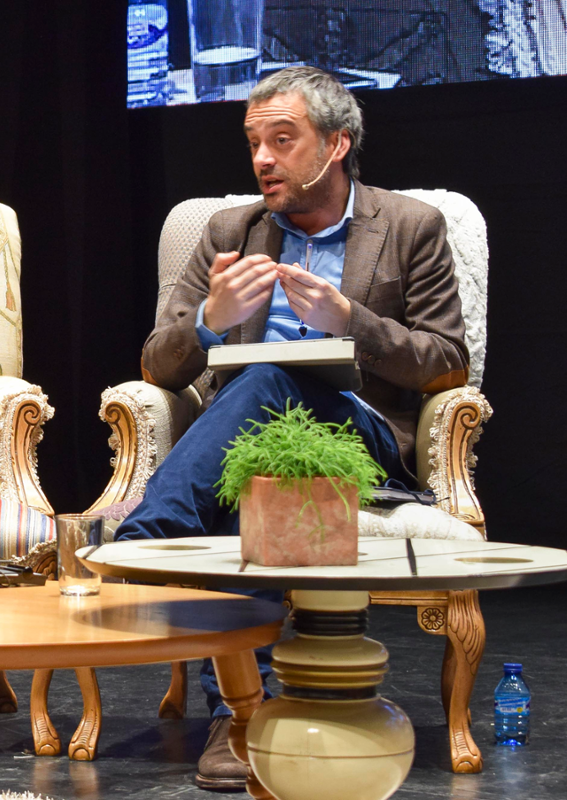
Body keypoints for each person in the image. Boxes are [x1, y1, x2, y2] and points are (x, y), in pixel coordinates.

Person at [115, 66, 468, 790]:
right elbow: (157, 365)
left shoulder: (410, 226)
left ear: (337, 144)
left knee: (272, 375)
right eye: (254, 143)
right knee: (258, 466)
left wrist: (351, 323)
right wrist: (210, 322)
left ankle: (147, 539)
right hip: (248, 439)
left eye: (283, 140)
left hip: (360, 434)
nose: (263, 159)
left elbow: (447, 363)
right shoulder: (230, 232)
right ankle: (239, 714)